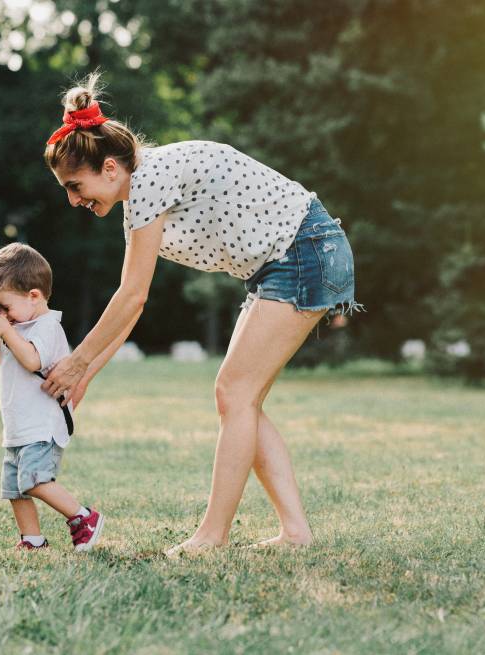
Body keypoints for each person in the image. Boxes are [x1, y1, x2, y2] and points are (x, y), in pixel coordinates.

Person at [40, 73, 362, 556]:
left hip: (304, 252)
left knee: (235, 393)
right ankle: (295, 533)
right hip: (288, 259)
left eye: (74, 185)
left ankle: (212, 537)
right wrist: (89, 370)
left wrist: (79, 362)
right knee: (241, 399)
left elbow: (133, 296)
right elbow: (133, 305)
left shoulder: (148, 180)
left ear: (109, 169)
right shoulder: (142, 195)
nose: (72, 199)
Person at [0, 243, 104, 552]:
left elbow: (32, 360)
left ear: (34, 296)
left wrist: (6, 331)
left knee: (35, 480)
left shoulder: (46, 327)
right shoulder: (16, 325)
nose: (2, 315)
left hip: (42, 423)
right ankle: (32, 539)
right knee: (15, 488)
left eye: (4, 307)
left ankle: (83, 517)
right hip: (18, 424)